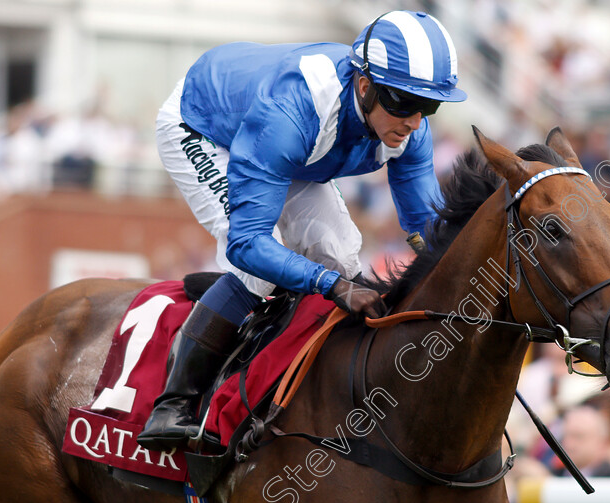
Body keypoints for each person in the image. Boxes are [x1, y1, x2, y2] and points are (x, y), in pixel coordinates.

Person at [137, 10, 467, 451]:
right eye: (403, 103)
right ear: (365, 87)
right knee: (262, 268)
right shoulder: (290, 111)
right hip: (205, 129)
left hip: (287, 149)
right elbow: (247, 244)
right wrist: (330, 285)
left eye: (428, 106)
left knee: (342, 256)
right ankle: (173, 405)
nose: (413, 120)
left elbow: (426, 229)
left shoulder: (409, 128)